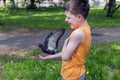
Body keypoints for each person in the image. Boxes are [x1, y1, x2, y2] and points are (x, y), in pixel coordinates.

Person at [38, 0, 91, 80]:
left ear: (79, 17)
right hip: (78, 73)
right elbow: (69, 52)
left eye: (68, 17)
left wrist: (66, 43)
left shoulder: (78, 33)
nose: (66, 20)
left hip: (71, 75)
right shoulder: (86, 29)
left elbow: (65, 56)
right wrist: (51, 56)